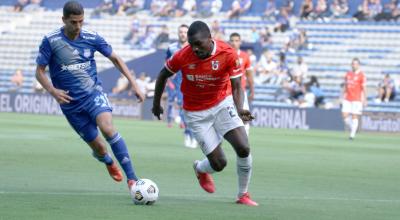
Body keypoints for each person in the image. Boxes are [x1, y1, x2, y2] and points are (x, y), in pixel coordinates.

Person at [35, 1, 145, 192]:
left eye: (81, 22)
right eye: (73, 22)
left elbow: (116, 59)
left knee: (108, 128)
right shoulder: (51, 40)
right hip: (70, 104)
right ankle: (107, 160)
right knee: (100, 148)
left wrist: (134, 84)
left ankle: (133, 180)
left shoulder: (91, 36)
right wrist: (53, 91)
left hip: (93, 94)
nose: (78, 26)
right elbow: (39, 72)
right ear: (64, 20)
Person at [152, 21, 258, 206]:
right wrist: (156, 103)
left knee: (244, 147)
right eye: (192, 44)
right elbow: (162, 75)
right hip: (195, 113)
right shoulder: (183, 55)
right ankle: (200, 168)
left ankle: (243, 195)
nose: (195, 49)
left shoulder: (227, 53)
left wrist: (240, 109)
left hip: (222, 105)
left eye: (198, 44)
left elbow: (237, 86)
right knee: (219, 163)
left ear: (210, 39)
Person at [165, 24, 197, 148]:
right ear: (178, 33)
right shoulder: (172, 48)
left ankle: (193, 134)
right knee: (184, 109)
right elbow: (166, 63)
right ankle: (188, 134)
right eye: (181, 32)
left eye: (185, 32)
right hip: (179, 82)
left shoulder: (194, 48)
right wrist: (169, 77)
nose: (183, 34)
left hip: (193, 82)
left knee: (194, 111)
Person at [229, 33, 254, 135]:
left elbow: (249, 74)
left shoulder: (245, 56)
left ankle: (245, 142)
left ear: (240, 42)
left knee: (245, 117)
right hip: (226, 92)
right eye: (232, 40)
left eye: (236, 40)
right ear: (229, 42)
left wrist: (252, 90)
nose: (234, 43)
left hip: (240, 91)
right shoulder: (225, 55)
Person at [341, 58, 367, 140]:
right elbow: (345, 86)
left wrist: (365, 99)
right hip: (347, 98)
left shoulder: (362, 75)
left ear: (358, 65)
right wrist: (341, 95)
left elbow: (364, 88)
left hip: (357, 99)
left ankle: (352, 135)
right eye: (353, 64)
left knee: (354, 116)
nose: (354, 65)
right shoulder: (348, 74)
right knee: (344, 115)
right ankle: (353, 128)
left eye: (355, 64)